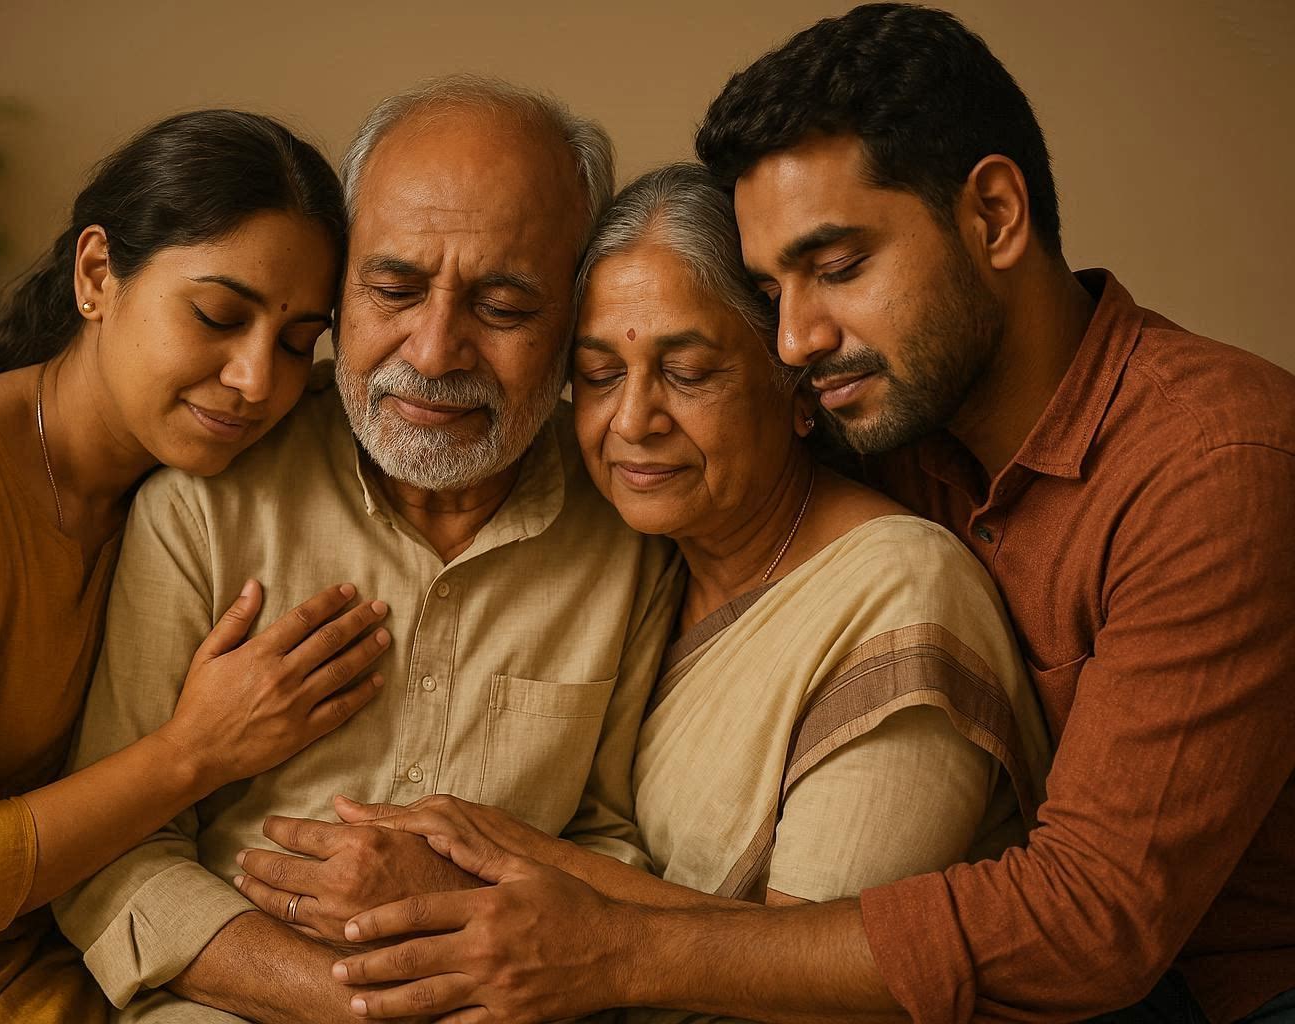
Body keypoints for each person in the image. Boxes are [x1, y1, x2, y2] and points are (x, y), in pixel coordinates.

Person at [317, 7, 1295, 1023]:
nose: (795, 338)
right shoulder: (885, 419)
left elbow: (1091, 927)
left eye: (836, 268)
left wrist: (603, 939)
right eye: (774, 287)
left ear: (996, 215)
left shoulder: (1214, 463)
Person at [255, 159, 1051, 1016]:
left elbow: (827, 980)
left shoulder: (900, 594)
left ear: (797, 388)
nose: (633, 421)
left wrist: (490, 859)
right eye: (601, 376)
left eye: (690, 372)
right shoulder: (645, 563)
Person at [45, 77, 680, 1023]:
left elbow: (607, 838)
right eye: (394, 290)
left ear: (573, 319)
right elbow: (117, 856)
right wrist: (355, 1008)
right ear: (340, 287)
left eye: (504, 307)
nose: (432, 352)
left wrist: (470, 920)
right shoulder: (205, 501)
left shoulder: (629, 529)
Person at [0, 110, 395, 1023]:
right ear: (97, 275)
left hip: (33, 970)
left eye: (298, 342)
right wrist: (194, 752)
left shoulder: (201, 480)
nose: (258, 379)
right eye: (218, 316)